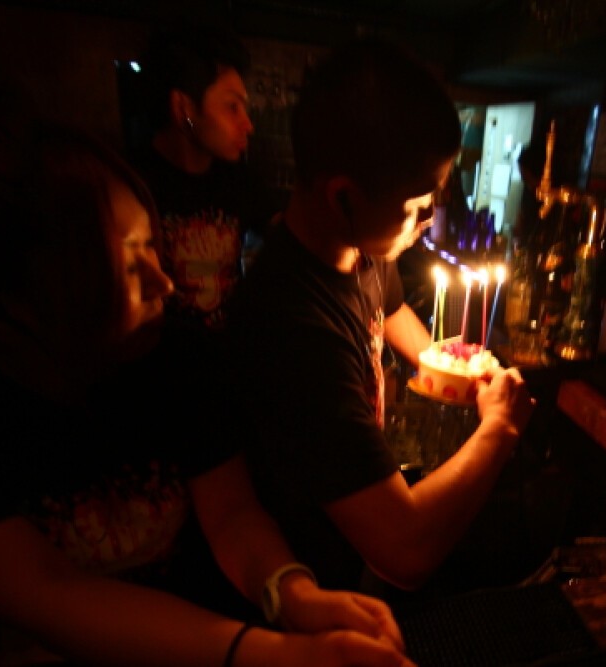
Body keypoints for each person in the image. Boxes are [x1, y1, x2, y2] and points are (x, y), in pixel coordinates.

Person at [0, 37, 411, 666]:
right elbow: (52, 589)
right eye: (123, 270)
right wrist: (276, 655)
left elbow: (232, 515)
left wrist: (291, 593)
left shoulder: (178, 357)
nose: (164, 284)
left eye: (152, 247)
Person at [217, 37, 536, 596]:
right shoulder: (292, 327)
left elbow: (390, 311)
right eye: (415, 204)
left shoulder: (360, 246)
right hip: (303, 588)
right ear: (343, 196)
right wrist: (501, 428)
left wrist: (451, 366)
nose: (428, 217)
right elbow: (403, 550)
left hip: (345, 552)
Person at [130, 23, 276, 341]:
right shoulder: (130, 187)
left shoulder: (238, 180)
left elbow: (286, 229)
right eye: (232, 107)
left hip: (228, 358)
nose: (248, 124)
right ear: (183, 108)